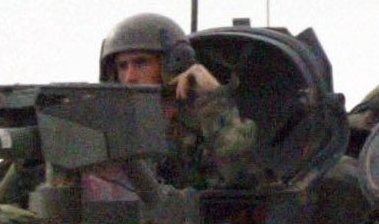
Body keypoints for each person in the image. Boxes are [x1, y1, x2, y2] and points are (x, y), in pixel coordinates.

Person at [100, 11, 264, 192]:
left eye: (141, 63)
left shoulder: (204, 121)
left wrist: (214, 98)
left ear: (173, 64)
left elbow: (243, 178)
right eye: (123, 66)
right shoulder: (115, 127)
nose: (130, 77)